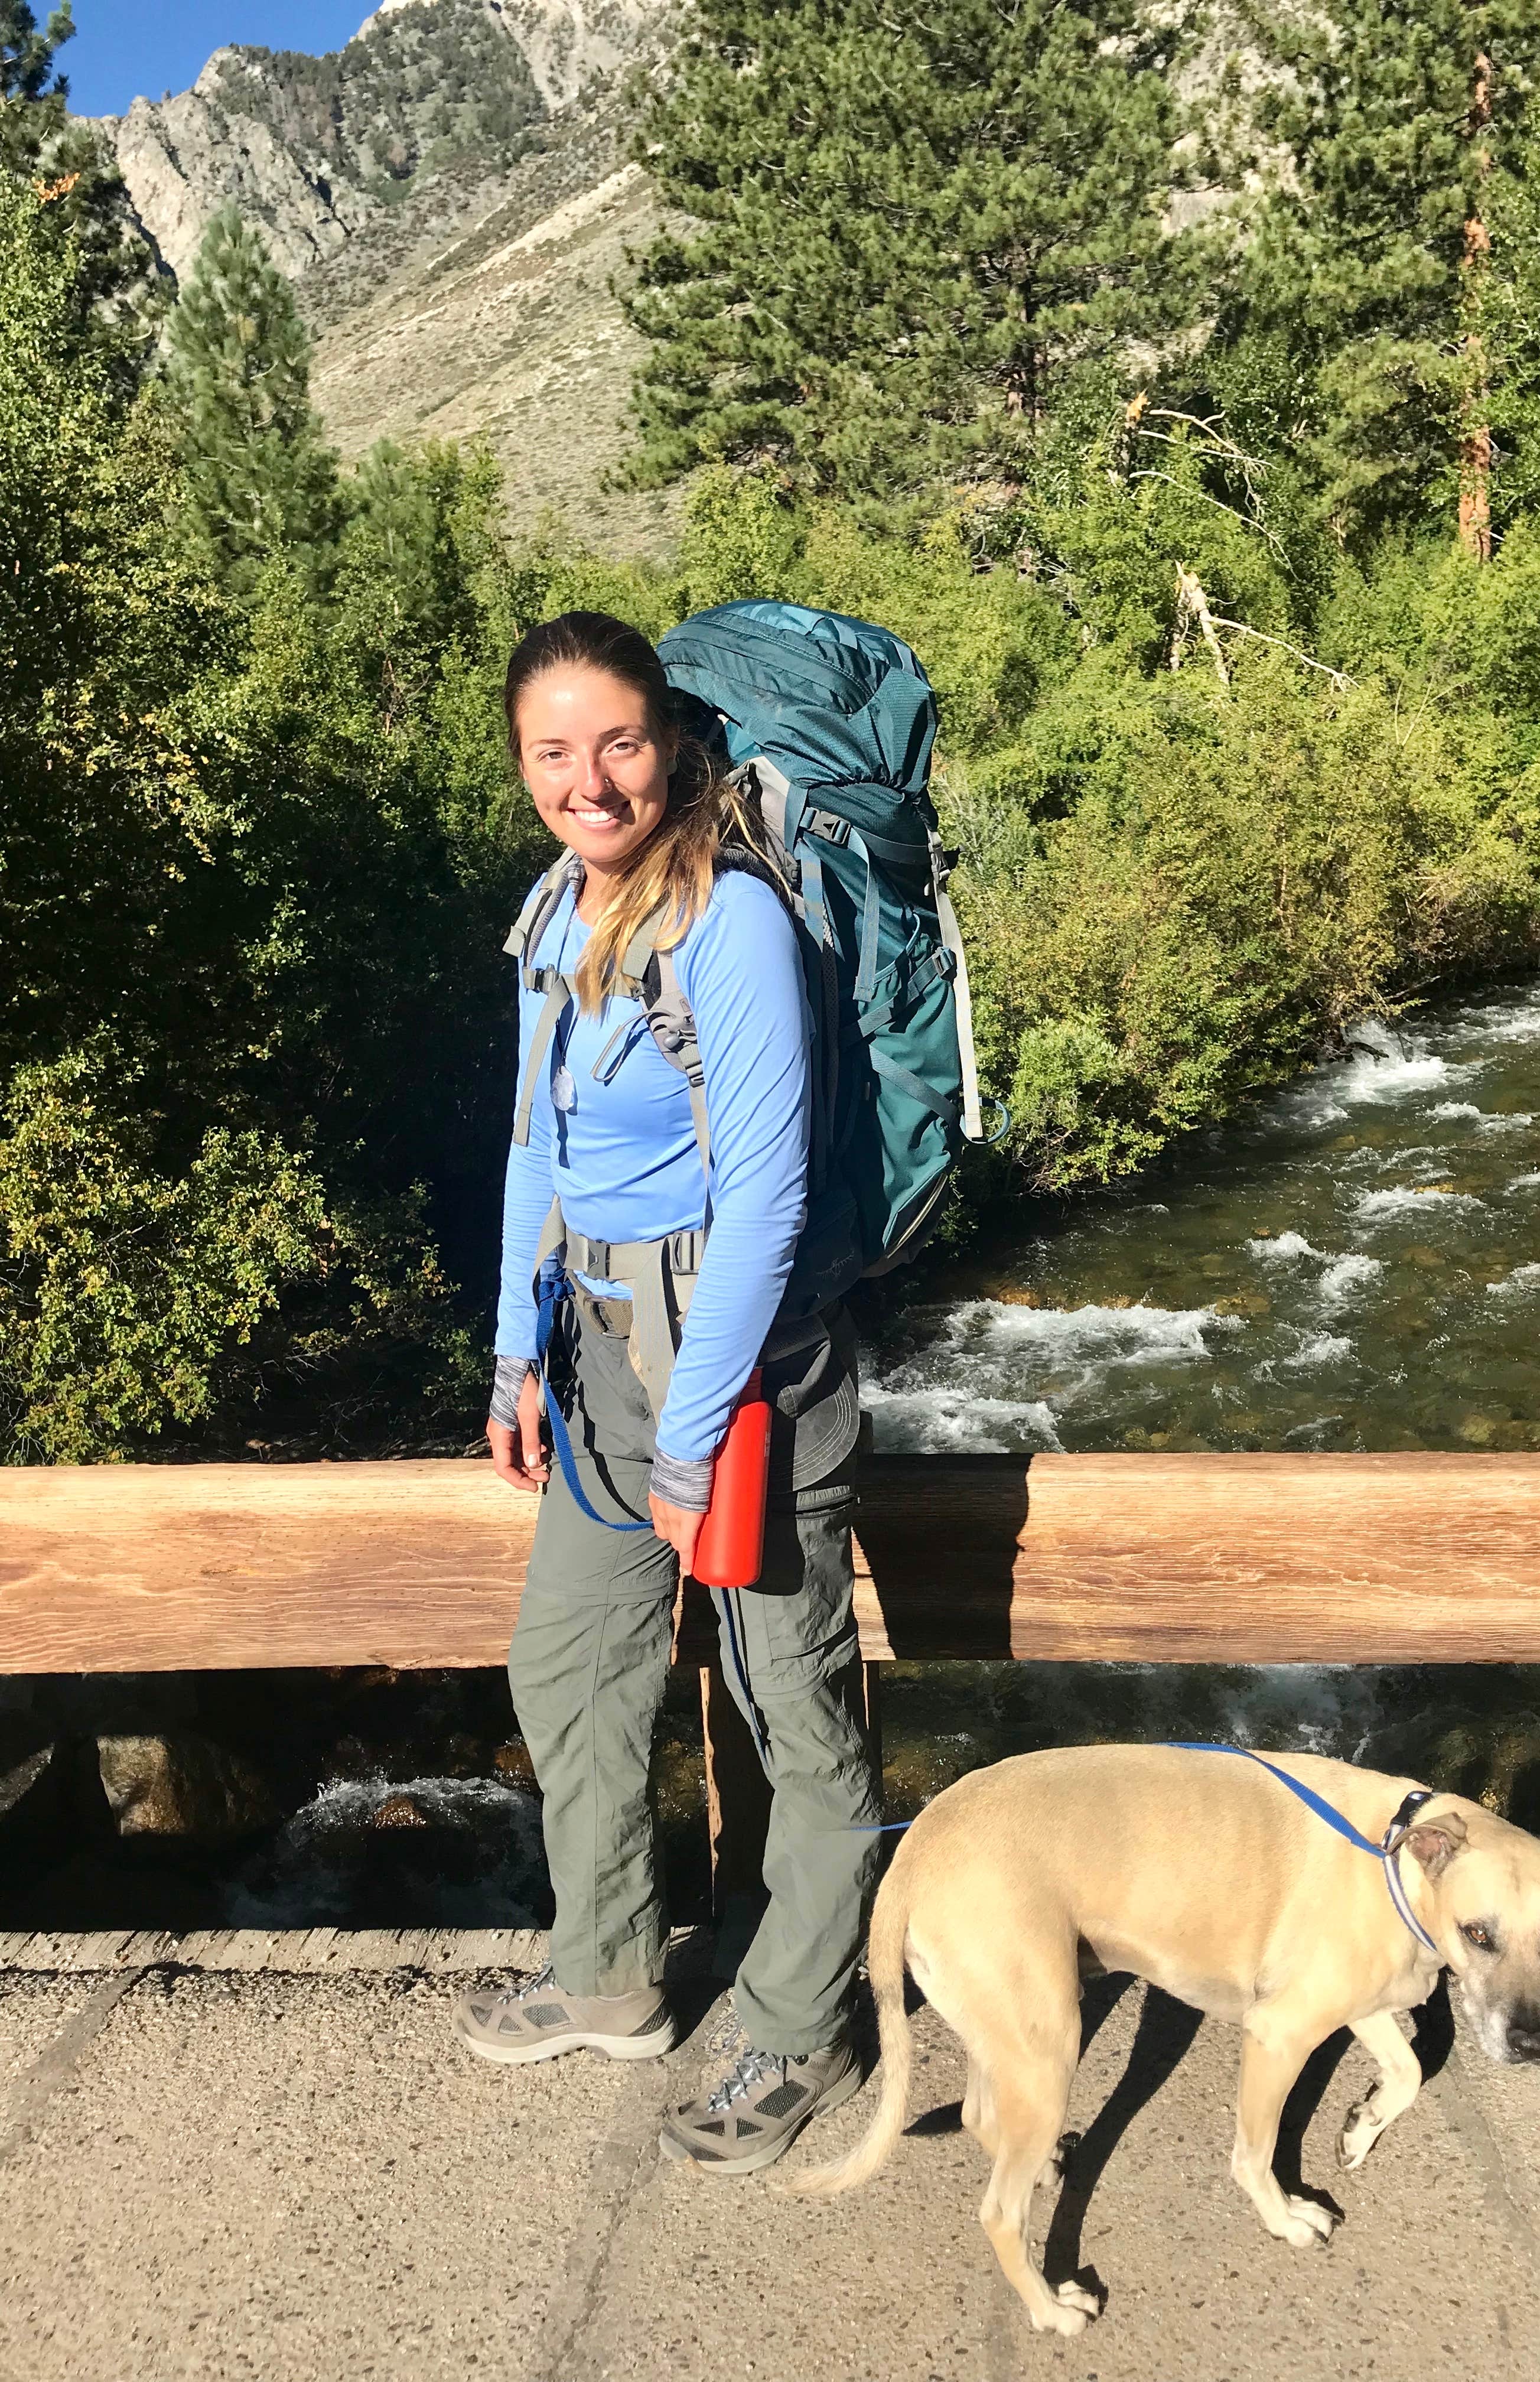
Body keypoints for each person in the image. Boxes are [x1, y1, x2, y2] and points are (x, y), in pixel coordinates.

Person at [452, 610, 880, 2175]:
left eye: (618, 742)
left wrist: (696, 1436)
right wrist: (513, 1348)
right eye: (553, 752)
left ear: (673, 741)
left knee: (793, 1715)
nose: (590, 779)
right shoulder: (557, 908)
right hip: (597, 1362)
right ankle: (612, 1977)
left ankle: (794, 2028)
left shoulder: (731, 924)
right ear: (522, 766)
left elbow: (764, 1196)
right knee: (569, 1671)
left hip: (738, 1371)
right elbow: (535, 1146)